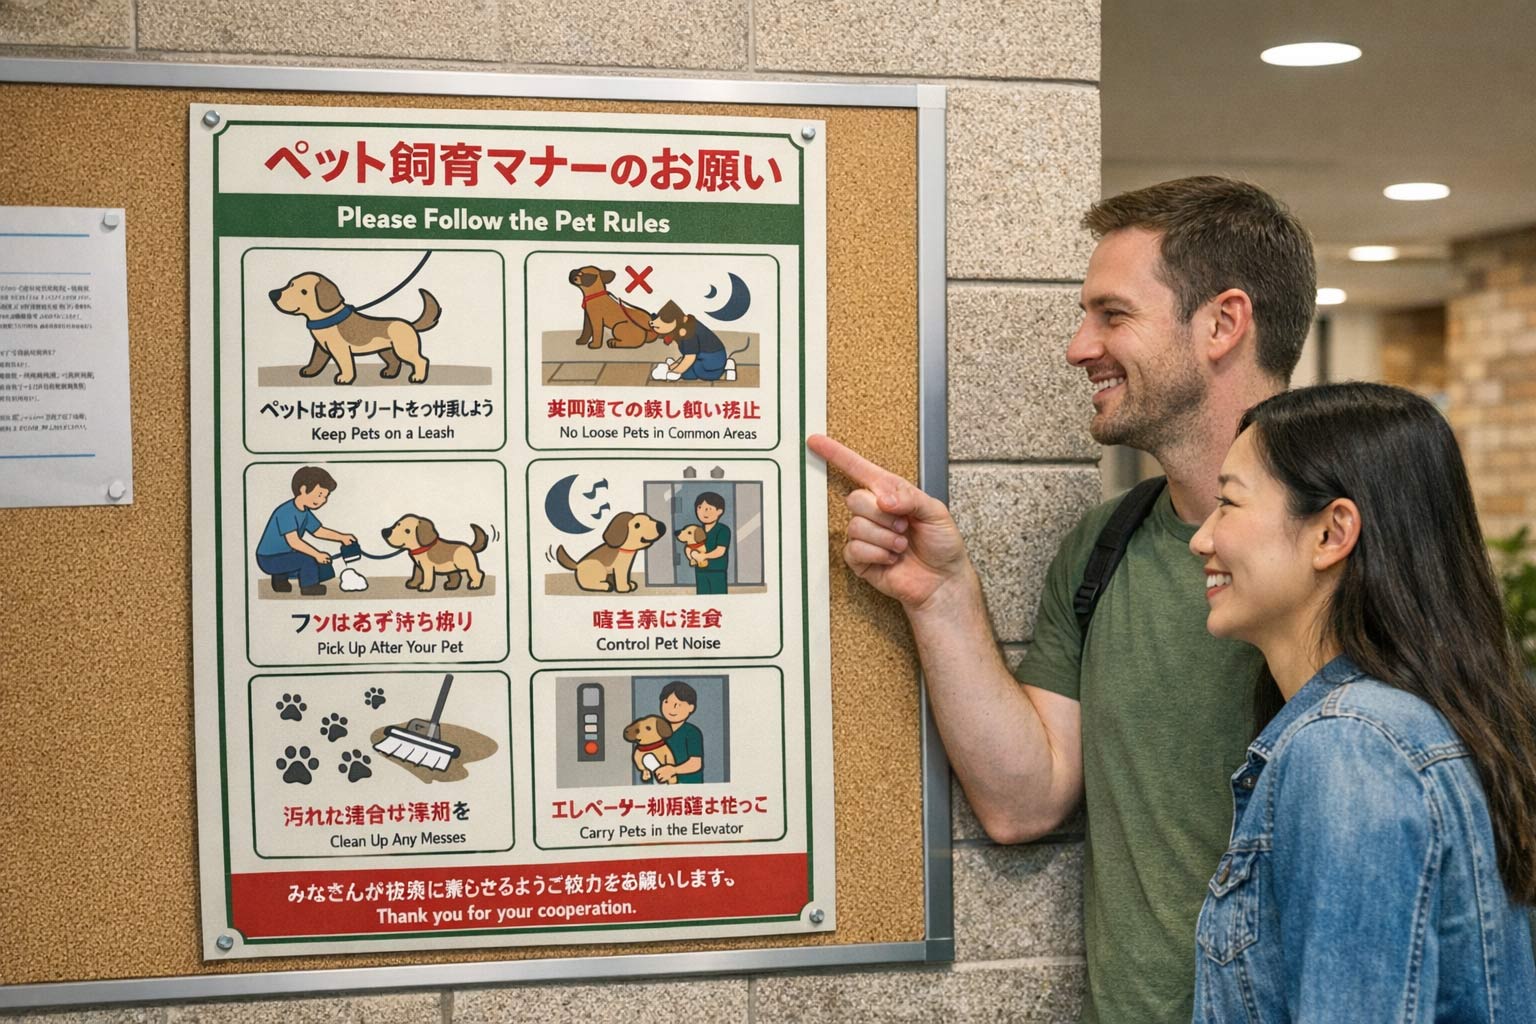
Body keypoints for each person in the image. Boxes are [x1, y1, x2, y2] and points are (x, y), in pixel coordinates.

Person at [807, 176, 1316, 1023]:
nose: (1080, 348)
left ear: (1223, 324)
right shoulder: (1105, 545)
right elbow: (1023, 800)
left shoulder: (1357, 547)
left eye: (1113, 315)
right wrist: (939, 596)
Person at [1186, 382, 1536, 1020]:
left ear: (1331, 532)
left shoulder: (1350, 746)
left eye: (1228, 503)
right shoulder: (1400, 729)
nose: (1202, 539)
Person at [254, 466, 356, 596]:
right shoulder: (286, 512)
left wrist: (342, 537)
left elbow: (318, 531)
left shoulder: (305, 512)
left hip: (282, 555)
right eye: (319, 495)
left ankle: (280, 581)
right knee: (308, 560)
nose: (322, 500)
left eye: (325, 496)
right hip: (268, 559)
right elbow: (294, 542)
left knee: (317, 563)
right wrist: (317, 554)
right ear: (303, 489)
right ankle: (309, 587)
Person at [651, 300, 729, 381]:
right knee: (687, 370)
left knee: (688, 374)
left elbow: (690, 357)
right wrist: (670, 367)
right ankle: (726, 366)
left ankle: (724, 369)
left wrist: (674, 371)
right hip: (711, 358)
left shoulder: (687, 331)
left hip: (710, 363)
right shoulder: (683, 326)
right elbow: (687, 354)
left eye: (657, 328)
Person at [655, 681, 704, 784]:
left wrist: (673, 770)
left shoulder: (692, 732)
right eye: (666, 702)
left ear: (691, 708)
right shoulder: (658, 730)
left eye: (677, 705)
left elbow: (696, 763)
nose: (671, 709)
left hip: (689, 784)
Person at [690, 491, 731, 595]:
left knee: (719, 597)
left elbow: (720, 551)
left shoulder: (723, 530)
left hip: (717, 571)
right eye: (700, 508)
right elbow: (691, 547)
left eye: (708, 509)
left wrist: (704, 556)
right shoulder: (697, 530)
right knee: (702, 597)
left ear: (719, 511)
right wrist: (693, 554)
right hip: (700, 571)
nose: (703, 512)